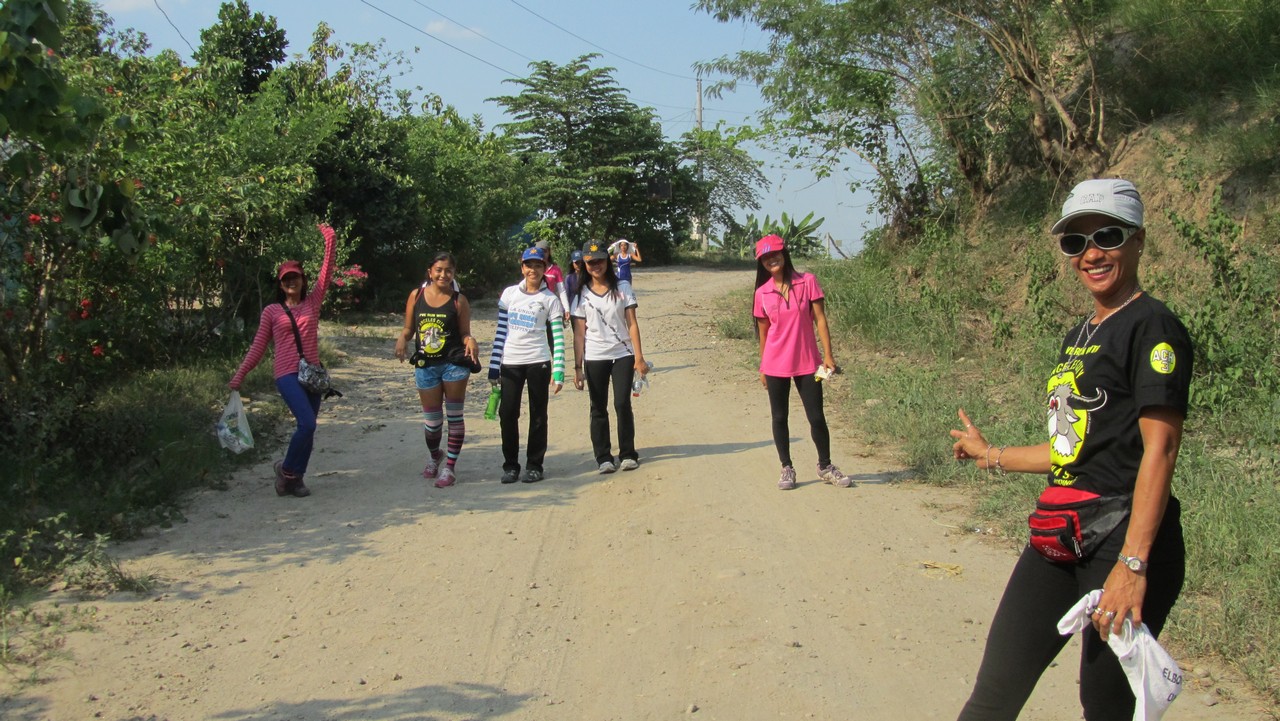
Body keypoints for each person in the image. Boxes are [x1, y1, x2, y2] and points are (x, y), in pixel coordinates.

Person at [949, 178, 1192, 721]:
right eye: (1076, 242)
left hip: (1121, 542)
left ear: (1138, 241)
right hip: (1062, 532)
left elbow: (1161, 449)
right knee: (994, 694)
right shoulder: (1079, 335)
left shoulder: (1153, 327)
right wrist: (991, 454)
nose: (1091, 253)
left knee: (1104, 708)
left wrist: (1133, 565)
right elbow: (1069, 451)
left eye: (1108, 236)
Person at [229, 223, 338, 498]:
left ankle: (295, 479)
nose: (291, 282)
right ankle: (286, 469)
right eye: (286, 279)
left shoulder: (312, 303)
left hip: (312, 373)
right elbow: (258, 346)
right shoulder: (271, 312)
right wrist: (240, 374)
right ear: (280, 283)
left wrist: (330, 239)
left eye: (295, 277)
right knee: (307, 423)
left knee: (308, 430)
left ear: (303, 280)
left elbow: (327, 273)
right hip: (287, 374)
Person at [753, 234, 853, 491]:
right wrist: (763, 368)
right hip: (774, 364)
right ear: (761, 263)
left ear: (784, 253)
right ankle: (786, 467)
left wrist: (828, 355)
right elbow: (763, 334)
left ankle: (825, 466)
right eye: (765, 258)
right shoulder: (762, 293)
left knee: (817, 416)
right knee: (779, 417)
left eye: (774, 254)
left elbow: (821, 320)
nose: (771, 260)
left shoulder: (808, 281)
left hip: (810, 363)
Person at [394, 252, 481, 488]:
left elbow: (464, 333)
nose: (443, 274)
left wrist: (470, 340)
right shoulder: (416, 296)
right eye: (439, 270)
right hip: (426, 366)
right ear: (430, 272)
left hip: (454, 365)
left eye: (448, 270)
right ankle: (435, 456)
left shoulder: (459, 301)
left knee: (454, 417)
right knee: (432, 423)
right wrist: (402, 338)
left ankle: (449, 468)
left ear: (454, 273)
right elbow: (409, 328)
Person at [488, 246, 566, 483]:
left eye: (538, 265)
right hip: (510, 362)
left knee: (538, 414)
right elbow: (501, 332)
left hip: (538, 361)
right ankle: (511, 465)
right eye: (529, 265)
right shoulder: (509, 294)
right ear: (522, 267)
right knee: (507, 413)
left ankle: (534, 465)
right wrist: (494, 365)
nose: (533, 270)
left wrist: (559, 370)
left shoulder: (550, 299)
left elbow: (558, 337)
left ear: (545, 268)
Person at [571, 239, 648, 473]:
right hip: (595, 356)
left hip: (622, 353)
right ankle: (603, 457)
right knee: (598, 406)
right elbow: (579, 334)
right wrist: (577, 367)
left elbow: (632, 323)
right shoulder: (580, 294)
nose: (596, 266)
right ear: (584, 265)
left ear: (607, 260)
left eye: (600, 261)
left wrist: (639, 357)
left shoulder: (622, 287)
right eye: (590, 262)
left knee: (622, 403)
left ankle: (628, 453)